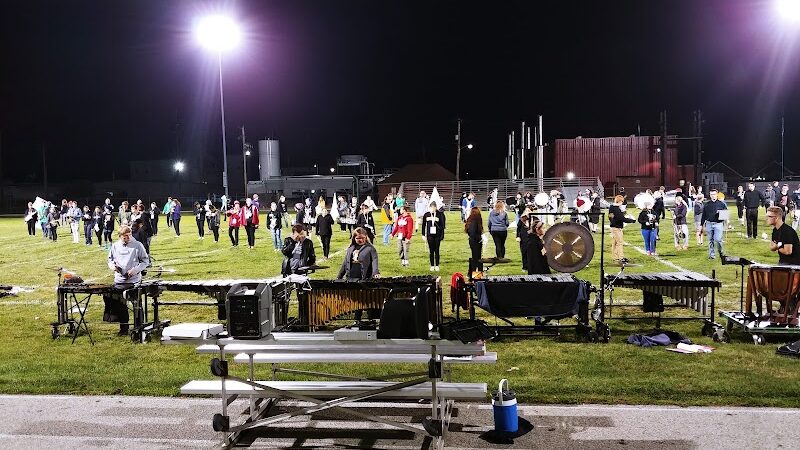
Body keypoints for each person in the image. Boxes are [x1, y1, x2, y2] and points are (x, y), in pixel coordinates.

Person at [106, 225, 150, 335]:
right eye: (125, 236)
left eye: (129, 235)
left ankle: (139, 327)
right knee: (120, 306)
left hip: (134, 281)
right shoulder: (115, 246)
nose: (128, 238)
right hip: (119, 280)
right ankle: (124, 328)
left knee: (137, 305)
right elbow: (110, 260)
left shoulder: (137, 245)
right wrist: (113, 267)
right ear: (120, 236)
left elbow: (145, 261)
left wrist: (135, 270)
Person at [702, 189, 728, 260]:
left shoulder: (722, 204)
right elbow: (704, 215)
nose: (712, 196)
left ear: (717, 195)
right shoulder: (707, 204)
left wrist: (721, 217)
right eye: (711, 194)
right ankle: (712, 254)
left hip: (718, 224)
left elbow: (725, 214)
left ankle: (721, 252)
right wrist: (702, 225)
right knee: (710, 240)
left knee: (718, 239)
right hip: (709, 224)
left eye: (714, 194)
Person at [608, 195, 635, 260]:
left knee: (614, 243)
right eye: (622, 201)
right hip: (617, 228)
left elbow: (610, 216)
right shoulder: (616, 209)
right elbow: (622, 219)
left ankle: (615, 257)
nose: (622, 203)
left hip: (613, 227)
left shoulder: (611, 207)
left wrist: (621, 214)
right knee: (619, 243)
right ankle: (621, 257)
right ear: (620, 201)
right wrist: (632, 220)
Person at [422, 201, 446, 272]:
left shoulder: (439, 214)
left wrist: (442, 235)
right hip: (429, 235)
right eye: (431, 207)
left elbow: (442, 226)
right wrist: (423, 234)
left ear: (436, 207)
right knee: (431, 250)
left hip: (437, 235)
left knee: (437, 250)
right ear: (429, 207)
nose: (432, 209)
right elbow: (423, 225)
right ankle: (432, 265)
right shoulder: (426, 215)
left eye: (434, 207)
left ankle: (437, 265)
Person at [465, 206, 484, 275]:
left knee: (475, 257)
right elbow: (472, 233)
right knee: (476, 258)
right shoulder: (474, 221)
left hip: (473, 240)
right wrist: (479, 238)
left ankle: (474, 272)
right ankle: (474, 273)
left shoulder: (470, 220)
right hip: (475, 241)